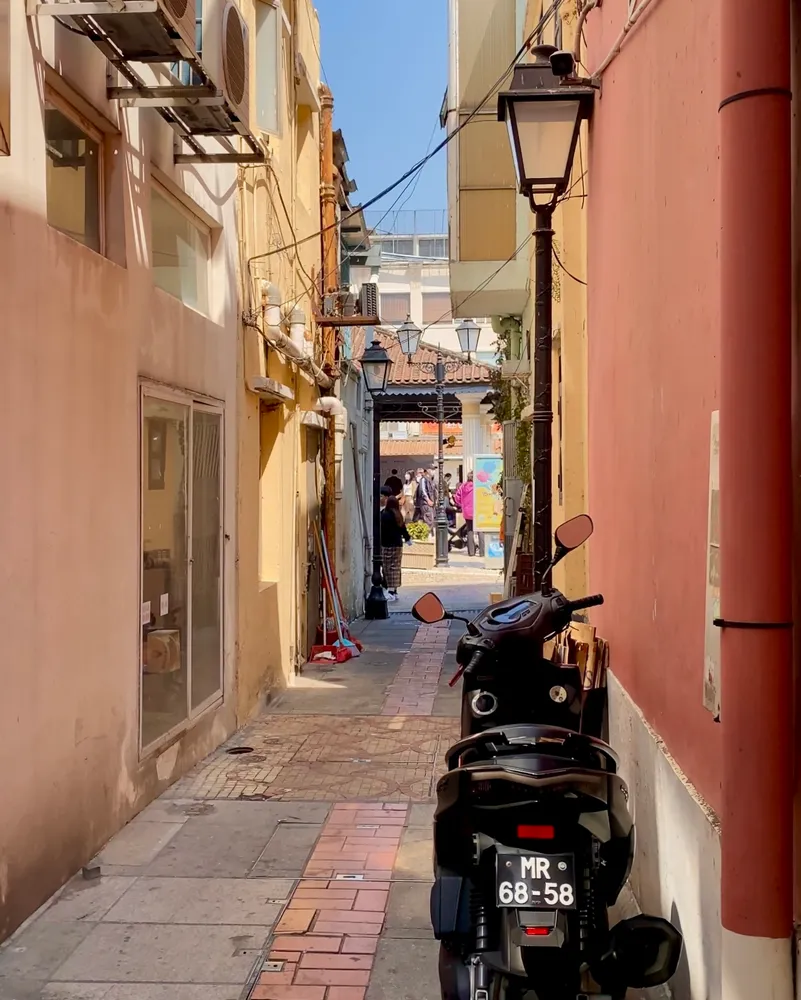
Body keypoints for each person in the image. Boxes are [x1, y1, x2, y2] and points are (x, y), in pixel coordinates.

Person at [381, 496, 411, 602]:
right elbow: (403, 529)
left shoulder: (384, 515)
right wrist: (407, 539)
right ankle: (394, 590)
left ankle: (389, 591)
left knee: (387, 568)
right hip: (398, 545)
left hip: (387, 544)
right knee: (396, 568)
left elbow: (382, 530)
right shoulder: (398, 515)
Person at [453, 471, 476, 556]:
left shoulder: (463, 486)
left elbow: (457, 497)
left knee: (470, 530)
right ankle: (482, 551)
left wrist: (462, 504)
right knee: (480, 530)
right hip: (477, 510)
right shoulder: (477, 486)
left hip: (466, 511)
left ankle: (471, 551)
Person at [415, 467, 436, 535]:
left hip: (430, 502)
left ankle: (428, 534)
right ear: (428, 470)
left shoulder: (430, 479)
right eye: (432, 470)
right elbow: (423, 491)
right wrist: (428, 500)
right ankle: (427, 535)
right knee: (428, 518)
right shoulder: (424, 479)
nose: (434, 471)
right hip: (425, 503)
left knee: (429, 518)